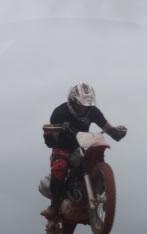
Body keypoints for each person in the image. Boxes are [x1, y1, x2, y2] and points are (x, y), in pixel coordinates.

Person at [41, 82, 127, 218]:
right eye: (81, 103)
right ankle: (54, 206)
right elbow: (50, 138)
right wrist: (51, 132)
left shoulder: (93, 111)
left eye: (87, 103)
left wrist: (117, 132)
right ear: (72, 100)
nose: (83, 107)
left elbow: (106, 126)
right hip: (63, 147)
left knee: (96, 155)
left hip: (83, 144)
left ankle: (102, 192)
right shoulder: (60, 112)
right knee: (60, 167)